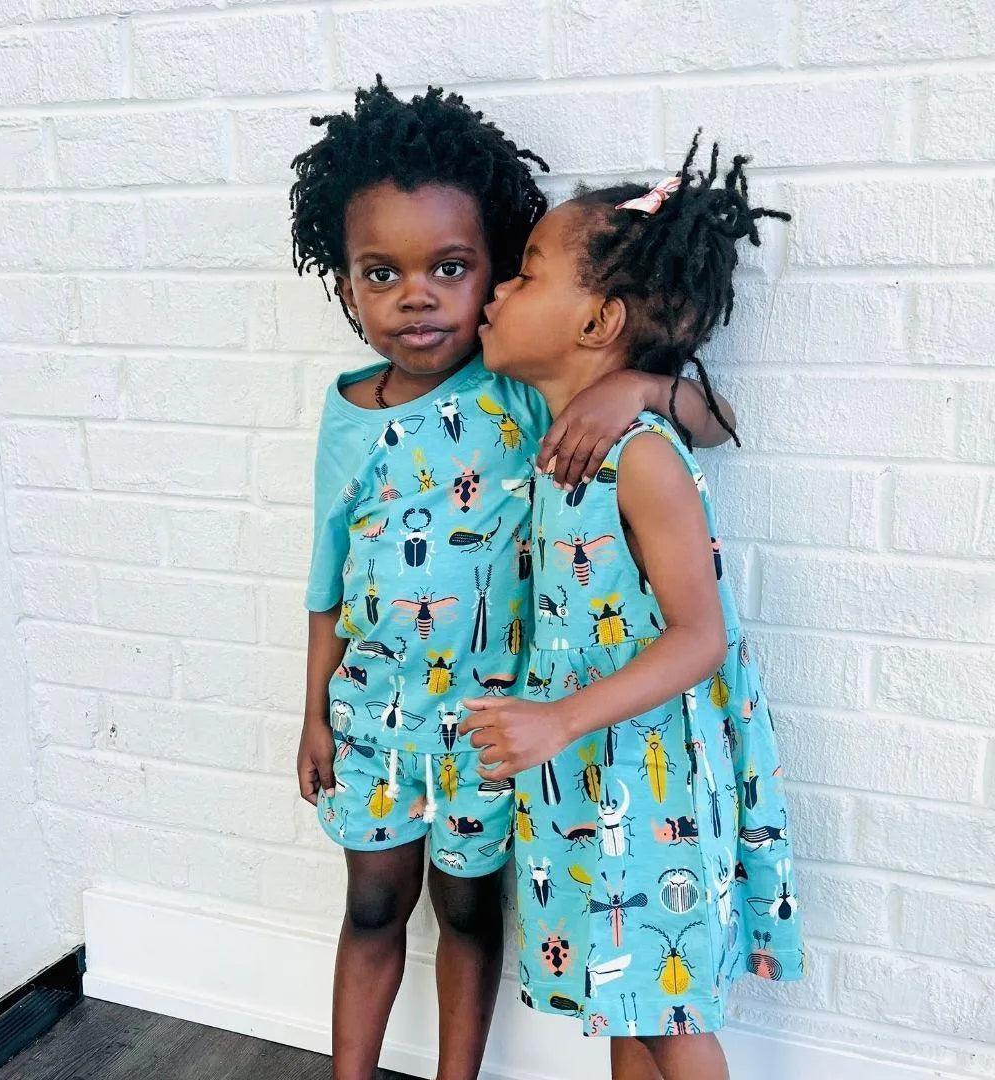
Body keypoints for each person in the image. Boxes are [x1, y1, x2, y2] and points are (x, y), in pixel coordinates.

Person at [291, 80, 738, 1080]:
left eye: (456, 267)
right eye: (381, 271)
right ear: (345, 279)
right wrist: (312, 711)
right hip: (379, 716)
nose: (422, 295)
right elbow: (325, 577)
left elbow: (708, 417)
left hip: (496, 724)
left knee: (469, 908)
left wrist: (634, 382)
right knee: (371, 904)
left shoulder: (525, 391)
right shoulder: (347, 414)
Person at [462, 133, 805, 1080]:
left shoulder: (639, 453)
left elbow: (702, 636)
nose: (494, 291)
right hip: (588, 768)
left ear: (597, 321)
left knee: (669, 1018)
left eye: (525, 274)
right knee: (626, 995)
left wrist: (645, 385)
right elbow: (715, 413)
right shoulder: (559, 427)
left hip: (645, 779)